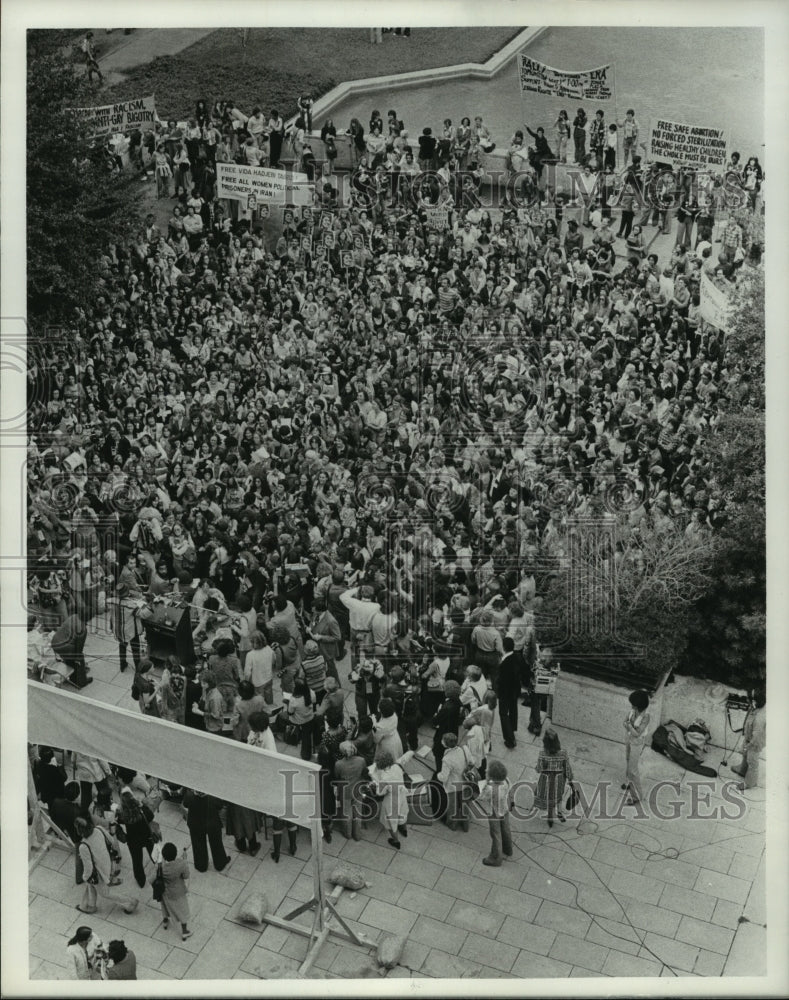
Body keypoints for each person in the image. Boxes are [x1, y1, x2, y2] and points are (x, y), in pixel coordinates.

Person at [74, 814, 138, 915]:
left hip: (100, 872)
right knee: (91, 884)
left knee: (105, 893)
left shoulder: (83, 846)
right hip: (109, 863)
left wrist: (84, 877)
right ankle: (90, 905)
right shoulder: (98, 829)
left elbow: (89, 868)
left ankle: (130, 903)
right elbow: (111, 841)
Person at [115, 786, 157, 891]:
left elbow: (117, 821)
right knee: (154, 854)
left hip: (133, 840)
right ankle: (160, 870)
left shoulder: (122, 814)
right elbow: (151, 816)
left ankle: (141, 881)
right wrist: (143, 805)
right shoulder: (141, 810)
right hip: (147, 836)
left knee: (137, 861)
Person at [182, 789, 230, 872]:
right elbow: (220, 805)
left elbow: (185, 804)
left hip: (195, 824)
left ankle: (201, 866)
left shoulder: (190, 794)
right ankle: (220, 864)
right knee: (216, 843)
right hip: (212, 823)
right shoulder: (212, 795)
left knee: (197, 844)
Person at [368, 749, 408, 849]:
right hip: (401, 795)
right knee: (402, 814)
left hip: (391, 801)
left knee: (391, 823)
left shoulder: (385, 777)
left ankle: (396, 841)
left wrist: (374, 782)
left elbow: (379, 792)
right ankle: (403, 829)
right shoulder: (397, 767)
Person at [535, 728, 573, 826]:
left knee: (549, 797)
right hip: (559, 779)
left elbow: (539, 769)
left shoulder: (542, 754)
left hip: (546, 779)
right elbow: (567, 767)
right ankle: (559, 813)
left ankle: (550, 818)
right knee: (559, 795)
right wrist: (570, 777)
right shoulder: (563, 753)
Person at [479, 759, 513, 866]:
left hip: (494, 812)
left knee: (495, 834)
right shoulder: (506, 780)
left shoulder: (490, 788)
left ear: (492, 776)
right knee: (506, 829)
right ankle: (508, 849)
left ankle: (496, 858)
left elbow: (482, 797)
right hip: (505, 809)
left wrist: (484, 784)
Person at [732, 687, 766, 790]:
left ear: (754, 701)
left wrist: (749, 745)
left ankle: (749, 783)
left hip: (755, 743)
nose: (747, 700)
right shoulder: (756, 706)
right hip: (750, 736)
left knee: (752, 762)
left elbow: (757, 737)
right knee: (745, 754)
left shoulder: (760, 718)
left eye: (749, 699)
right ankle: (742, 769)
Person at [158, 841, 193, 940]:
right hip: (178, 892)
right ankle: (184, 931)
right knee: (182, 911)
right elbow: (186, 875)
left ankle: (165, 921)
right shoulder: (181, 864)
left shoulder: (162, 868)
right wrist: (185, 861)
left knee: (164, 906)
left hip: (165, 892)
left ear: (164, 856)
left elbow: (152, 878)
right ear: (175, 854)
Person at [334, 741, 367, 840]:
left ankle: (347, 833)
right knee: (357, 812)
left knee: (347, 813)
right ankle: (357, 835)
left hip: (345, 791)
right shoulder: (361, 760)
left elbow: (337, 776)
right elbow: (364, 771)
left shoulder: (339, 764)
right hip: (357, 789)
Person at [623, 689, 651, 804]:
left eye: (633, 705)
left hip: (637, 743)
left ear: (639, 706)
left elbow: (637, 733)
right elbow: (624, 721)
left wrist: (628, 725)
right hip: (630, 739)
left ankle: (637, 797)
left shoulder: (646, 716)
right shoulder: (632, 711)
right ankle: (628, 782)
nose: (632, 707)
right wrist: (629, 726)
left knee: (633, 770)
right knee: (628, 760)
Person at [497, 637, 521, 748]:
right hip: (514, 691)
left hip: (505, 692)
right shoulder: (516, 657)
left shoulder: (505, 663)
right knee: (513, 710)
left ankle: (510, 739)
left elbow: (502, 681)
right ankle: (512, 729)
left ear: (504, 647)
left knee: (503, 714)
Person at [287, 678, 316, 760]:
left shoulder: (294, 700)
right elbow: (314, 704)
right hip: (310, 718)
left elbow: (290, 713)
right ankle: (306, 754)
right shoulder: (311, 693)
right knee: (306, 737)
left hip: (298, 721)